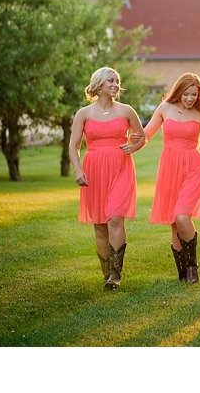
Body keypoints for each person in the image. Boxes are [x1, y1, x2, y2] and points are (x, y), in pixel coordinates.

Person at [69, 67, 146, 291]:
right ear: (99, 84)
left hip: (121, 168)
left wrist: (132, 146)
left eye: (117, 81)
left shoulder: (126, 110)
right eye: (110, 81)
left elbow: (141, 138)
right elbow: (73, 145)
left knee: (114, 218)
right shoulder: (83, 114)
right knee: (100, 225)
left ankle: (115, 273)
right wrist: (77, 170)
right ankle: (106, 272)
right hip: (93, 171)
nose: (115, 84)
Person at [138, 73, 200, 284]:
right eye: (186, 94)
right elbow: (145, 135)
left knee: (182, 217)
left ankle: (192, 266)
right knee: (174, 222)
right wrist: (126, 146)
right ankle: (182, 272)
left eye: (194, 95)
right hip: (170, 169)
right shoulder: (165, 109)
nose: (190, 98)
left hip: (193, 168)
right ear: (178, 91)